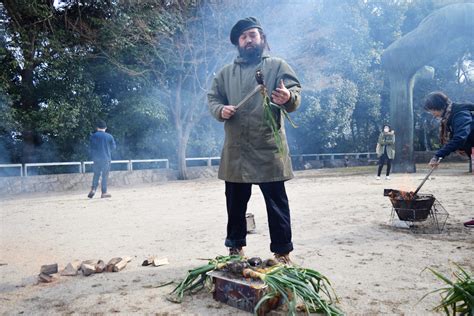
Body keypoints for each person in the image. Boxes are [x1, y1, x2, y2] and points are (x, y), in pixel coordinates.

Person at [207, 17, 301, 264]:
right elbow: (213, 99)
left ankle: (282, 253)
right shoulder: (226, 74)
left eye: (252, 35)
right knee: (235, 204)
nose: (248, 40)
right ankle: (235, 249)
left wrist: (287, 96)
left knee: (277, 204)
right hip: (237, 151)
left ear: (262, 39)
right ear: (238, 43)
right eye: (243, 37)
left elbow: (295, 94)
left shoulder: (277, 66)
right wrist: (221, 110)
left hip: (269, 148)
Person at [423, 91, 474, 228]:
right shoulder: (451, 116)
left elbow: (460, 137)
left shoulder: (459, 114)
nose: (433, 114)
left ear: (439, 107)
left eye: (432, 110)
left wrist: (438, 155)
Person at [88, 120, 116, 199]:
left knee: (96, 175)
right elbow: (113, 147)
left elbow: (91, 147)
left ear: (97, 128)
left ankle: (93, 189)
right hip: (106, 159)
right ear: (105, 128)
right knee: (105, 176)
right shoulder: (109, 136)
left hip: (96, 159)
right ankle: (104, 192)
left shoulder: (93, 136)